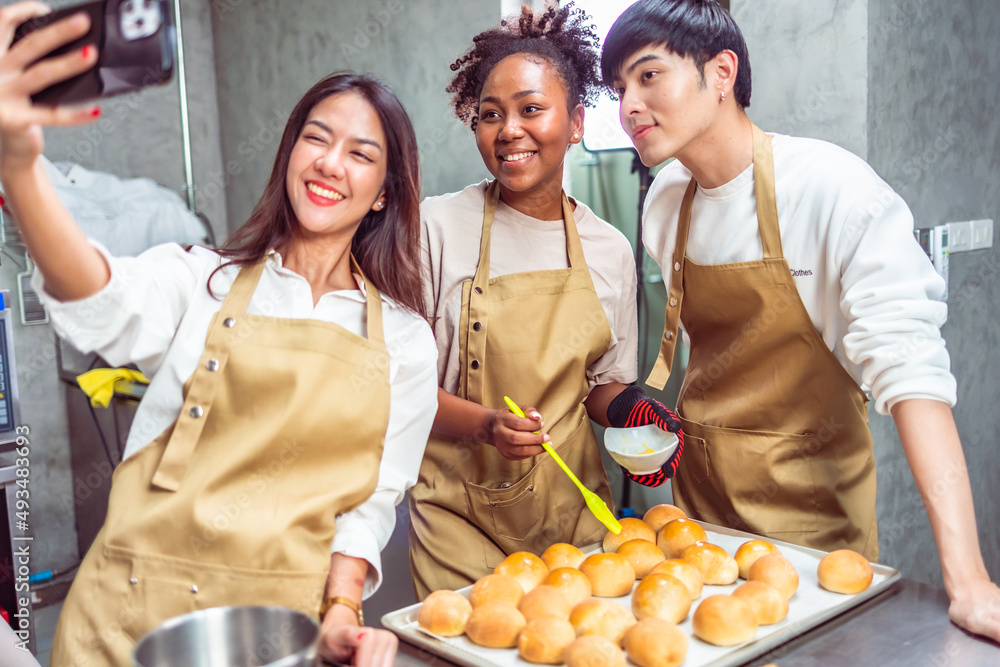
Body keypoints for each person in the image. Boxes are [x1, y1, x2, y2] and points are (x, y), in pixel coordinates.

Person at [0, 4, 438, 665]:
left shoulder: (405, 343)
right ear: (290, 152)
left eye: (361, 154)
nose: (330, 163)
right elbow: (95, 291)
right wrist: (19, 168)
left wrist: (341, 608)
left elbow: (369, 505)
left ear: (383, 192)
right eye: (316, 138)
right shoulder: (198, 280)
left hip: (274, 636)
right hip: (125, 620)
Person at [601, 0, 1000, 641]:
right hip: (701, 531)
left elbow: (913, 379)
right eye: (619, 88)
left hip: (814, 540)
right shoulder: (666, 203)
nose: (628, 106)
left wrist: (970, 580)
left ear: (722, 72)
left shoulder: (834, 191)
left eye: (648, 76)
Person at [408, 2, 683, 599]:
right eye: (490, 114)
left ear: (577, 122)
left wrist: (636, 412)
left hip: (572, 519)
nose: (509, 130)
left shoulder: (608, 249)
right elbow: (396, 387)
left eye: (532, 109)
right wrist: (484, 425)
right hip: (458, 522)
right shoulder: (435, 227)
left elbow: (599, 386)